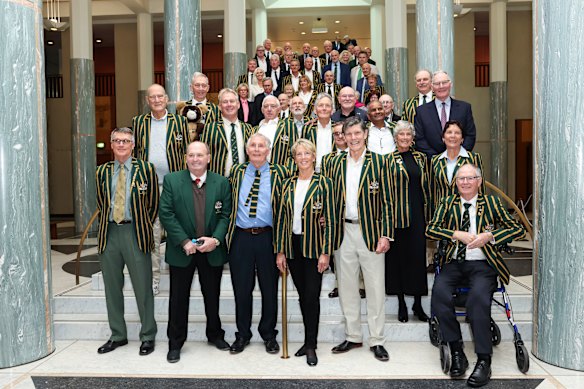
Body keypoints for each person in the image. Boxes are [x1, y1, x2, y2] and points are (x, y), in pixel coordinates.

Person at [427, 163, 526, 388]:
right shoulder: (447, 203)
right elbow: (430, 229)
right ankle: (456, 350)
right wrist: (456, 234)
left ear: (479, 181)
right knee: (440, 295)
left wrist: (490, 236)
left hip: (483, 264)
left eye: (470, 178)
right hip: (454, 263)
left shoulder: (491, 203)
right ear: (456, 182)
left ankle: (484, 360)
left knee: (478, 300)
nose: (465, 182)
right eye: (461, 178)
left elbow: (517, 228)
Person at [159, 141, 232, 363]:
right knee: (178, 299)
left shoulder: (221, 182)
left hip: (211, 250)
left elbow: (225, 215)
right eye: (191, 155)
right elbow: (166, 213)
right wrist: (183, 241)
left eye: (200, 155)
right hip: (183, 251)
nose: (196, 159)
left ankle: (215, 335)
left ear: (208, 158)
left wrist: (216, 240)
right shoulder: (172, 180)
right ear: (186, 158)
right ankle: (175, 342)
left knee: (212, 296)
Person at [328, 117, 393, 362]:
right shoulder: (333, 163)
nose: (353, 138)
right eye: (349, 134)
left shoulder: (379, 162)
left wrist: (386, 235)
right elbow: (329, 197)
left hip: (372, 234)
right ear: (343, 137)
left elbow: (388, 201)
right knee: (347, 288)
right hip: (343, 233)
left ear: (365, 134)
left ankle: (377, 340)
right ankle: (353, 336)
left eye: (357, 133)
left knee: (375, 288)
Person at [95, 127, 158, 356]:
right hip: (109, 234)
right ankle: (118, 335)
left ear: (133, 145)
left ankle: (148, 335)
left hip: (135, 234)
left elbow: (153, 204)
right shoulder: (101, 171)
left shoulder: (146, 169)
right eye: (117, 141)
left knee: (143, 287)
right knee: (112, 288)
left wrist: (141, 226)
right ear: (111, 145)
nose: (121, 144)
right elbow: (102, 204)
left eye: (125, 141)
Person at [226, 133, 288, 354]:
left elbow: (287, 208)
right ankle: (242, 334)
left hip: (268, 237)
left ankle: (268, 334)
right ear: (247, 149)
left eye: (261, 146)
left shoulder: (280, 173)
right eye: (252, 145)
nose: (256, 149)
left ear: (268, 150)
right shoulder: (236, 172)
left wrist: (282, 246)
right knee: (241, 289)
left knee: (269, 289)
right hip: (241, 237)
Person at [275, 139, 335, 366]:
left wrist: (326, 252)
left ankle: (311, 344)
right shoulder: (287, 183)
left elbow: (329, 220)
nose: (303, 157)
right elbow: (281, 219)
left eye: (307, 153)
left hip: (314, 247)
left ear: (313, 156)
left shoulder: (325, 183)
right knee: (302, 296)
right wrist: (280, 250)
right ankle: (308, 340)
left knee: (311, 295)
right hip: (292, 246)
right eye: (298, 154)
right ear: (294, 158)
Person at [132, 83, 189, 295]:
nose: (156, 100)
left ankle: (183, 277)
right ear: (148, 101)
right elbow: (135, 153)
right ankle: (153, 279)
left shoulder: (179, 122)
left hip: (174, 185)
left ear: (166, 99)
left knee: (179, 230)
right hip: (149, 187)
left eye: (160, 97)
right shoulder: (138, 122)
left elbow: (185, 153)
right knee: (152, 234)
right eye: (152, 97)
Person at [385, 121, 431, 322]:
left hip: (418, 216)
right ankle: (402, 304)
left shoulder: (421, 159)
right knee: (398, 261)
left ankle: (418, 305)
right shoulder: (387, 160)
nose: (404, 138)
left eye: (408, 135)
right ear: (395, 138)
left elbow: (428, 188)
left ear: (413, 138)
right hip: (396, 218)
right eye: (401, 134)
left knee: (417, 260)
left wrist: (430, 217)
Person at [414, 70, 476, 157]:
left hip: (459, 162)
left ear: (451, 84)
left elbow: (470, 135)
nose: (441, 86)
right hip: (432, 164)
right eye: (437, 84)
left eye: (444, 82)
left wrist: (458, 155)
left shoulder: (464, 108)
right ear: (432, 87)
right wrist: (438, 159)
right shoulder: (421, 111)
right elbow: (420, 139)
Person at [431, 120, 484, 214]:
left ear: (462, 139)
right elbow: (432, 191)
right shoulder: (435, 160)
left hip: (466, 213)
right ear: (443, 138)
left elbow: (480, 188)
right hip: (442, 213)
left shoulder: (473, 158)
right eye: (449, 132)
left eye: (457, 133)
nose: (453, 136)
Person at [201, 88, 254, 177]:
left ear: (238, 105)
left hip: (243, 181)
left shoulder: (248, 129)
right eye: (225, 102)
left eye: (232, 101)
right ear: (220, 106)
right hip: (218, 181)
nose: (229, 104)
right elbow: (203, 155)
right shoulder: (210, 128)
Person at [253, 95, 297, 168]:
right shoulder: (254, 130)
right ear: (262, 110)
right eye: (266, 106)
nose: (269, 109)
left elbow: (294, 152)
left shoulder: (288, 125)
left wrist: (285, 172)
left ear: (279, 109)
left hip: (279, 174)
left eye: (273, 106)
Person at [302, 93, 334, 173]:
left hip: (334, 171)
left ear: (332, 110)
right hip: (312, 171)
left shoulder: (338, 129)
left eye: (327, 106)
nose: (324, 108)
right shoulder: (307, 128)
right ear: (315, 110)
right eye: (320, 105)